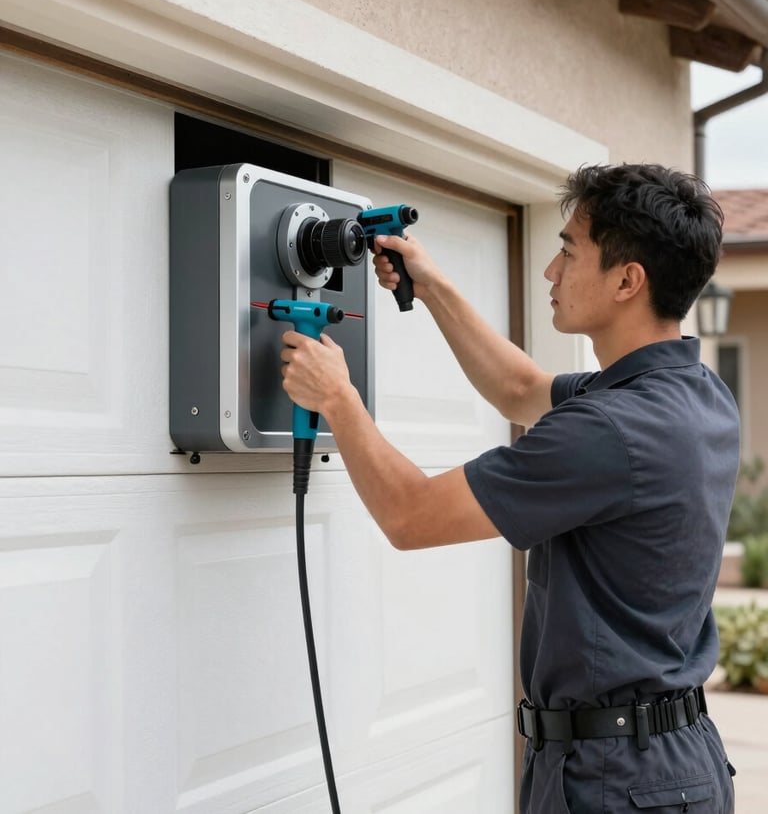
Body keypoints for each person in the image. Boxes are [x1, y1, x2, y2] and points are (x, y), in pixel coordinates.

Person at [279, 162, 740, 814]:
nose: (551, 272)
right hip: (665, 762)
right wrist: (433, 285)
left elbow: (410, 516)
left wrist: (338, 398)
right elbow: (520, 390)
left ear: (627, 281)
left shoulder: (613, 430)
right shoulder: (691, 394)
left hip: (617, 780)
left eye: (569, 250)